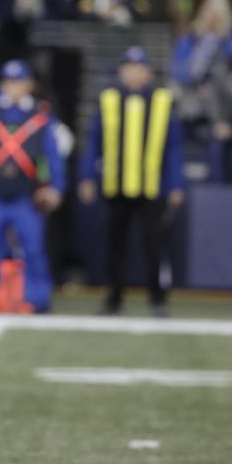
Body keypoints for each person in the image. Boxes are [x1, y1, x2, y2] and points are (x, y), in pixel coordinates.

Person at [78, 47, 185, 317]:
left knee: (154, 247)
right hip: (116, 185)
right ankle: (114, 299)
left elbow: (173, 147)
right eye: (130, 68)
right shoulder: (109, 100)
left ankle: (157, 300)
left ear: (148, 72)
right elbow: (94, 142)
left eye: (140, 68)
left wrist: (175, 184)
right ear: (122, 71)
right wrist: (87, 176)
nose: (135, 73)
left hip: (151, 187)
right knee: (114, 247)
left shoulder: (162, 101)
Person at [0, 60, 66, 313]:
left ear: (30, 84)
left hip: (26, 196)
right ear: (3, 84)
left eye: (19, 82)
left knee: (34, 249)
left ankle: (38, 300)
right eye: (9, 82)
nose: (14, 88)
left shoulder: (41, 116)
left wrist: (57, 187)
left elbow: (52, 155)